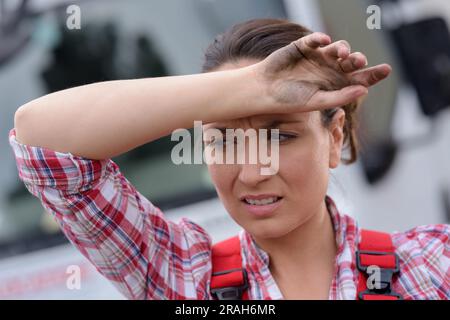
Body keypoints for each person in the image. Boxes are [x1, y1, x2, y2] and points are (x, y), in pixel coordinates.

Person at [9, 18, 449, 300]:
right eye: (225, 141)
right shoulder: (182, 279)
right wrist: (247, 89)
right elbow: (41, 140)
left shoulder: (430, 265)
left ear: (334, 139)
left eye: (280, 135)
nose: (253, 172)